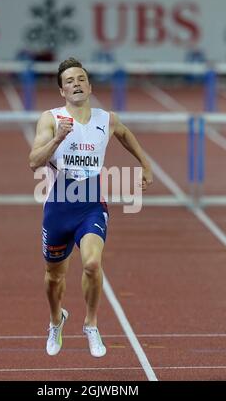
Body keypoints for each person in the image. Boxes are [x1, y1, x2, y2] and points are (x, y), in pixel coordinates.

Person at [29, 57, 153, 358]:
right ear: (62, 91)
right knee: (53, 277)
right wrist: (58, 138)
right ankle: (56, 319)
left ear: (90, 85)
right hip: (59, 206)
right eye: (69, 80)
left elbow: (124, 134)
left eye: (81, 79)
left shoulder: (105, 118)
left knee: (92, 264)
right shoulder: (51, 119)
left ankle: (91, 323)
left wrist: (145, 165)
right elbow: (34, 160)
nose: (76, 84)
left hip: (91, 206)